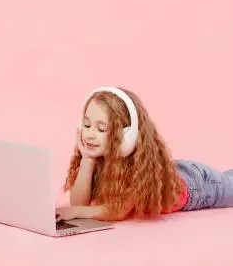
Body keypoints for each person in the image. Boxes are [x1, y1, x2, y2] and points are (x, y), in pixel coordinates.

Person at [55, 86, 233, 222]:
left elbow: (117, 210)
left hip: (198, 187)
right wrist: (87, 158)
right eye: (86, 125)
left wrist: (77, 212)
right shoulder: (99, 158)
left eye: (102, 129)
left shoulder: (138, 168)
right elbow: (78, 203)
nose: (90, 134)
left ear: (127, 136)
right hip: (176, 173)